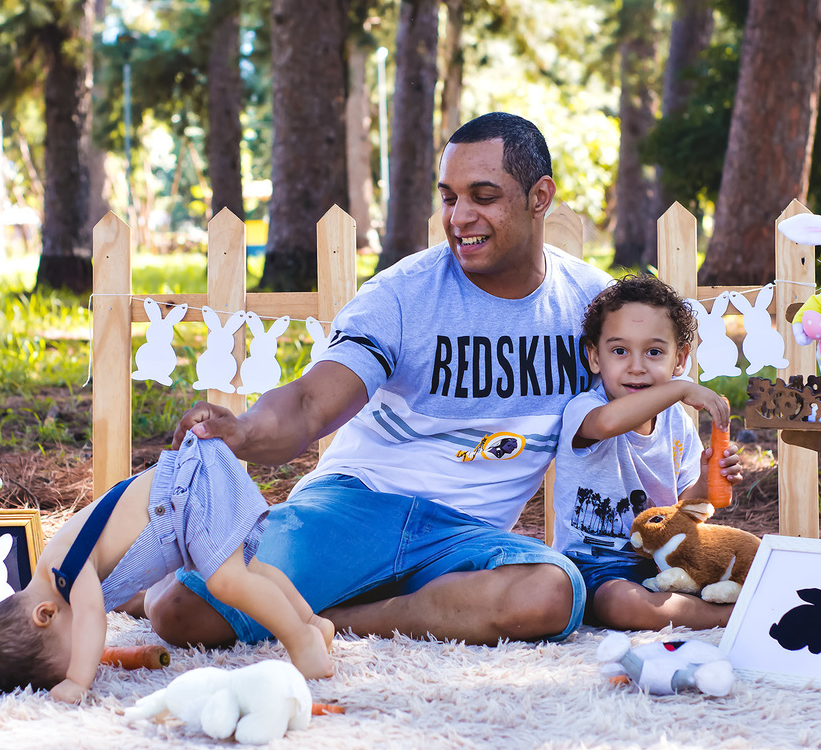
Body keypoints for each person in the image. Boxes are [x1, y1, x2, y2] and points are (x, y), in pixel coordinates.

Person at [143, 112, 741, 648]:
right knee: (181, 613)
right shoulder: (403, 294)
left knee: (552, 595)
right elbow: (307, 401)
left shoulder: (593, 307)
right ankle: (298, 591)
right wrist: (244, 430)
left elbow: (640, 414)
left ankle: (337, 617)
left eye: (483, 196)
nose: (459, 218)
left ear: (540, 198)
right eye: (450, 197)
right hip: (360, 506)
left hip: (465, 543)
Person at [0, 435, 333, 702]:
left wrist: (78, 680)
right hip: (183, 508)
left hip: (189, 487)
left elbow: (94, 617)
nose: (86, 653)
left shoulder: (63, 571)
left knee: (227, 581)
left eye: (75, 651)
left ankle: (302, 643)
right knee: (249, 571)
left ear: (44, 614)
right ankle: (314, 623)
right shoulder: (57, 578)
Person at [552, 274, 739, 631]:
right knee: (622, 604)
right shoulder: (585, 409)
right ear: (594, 357)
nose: (636, 367)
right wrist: (680, 389)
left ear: (679, 358)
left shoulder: (676, 423)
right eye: (619, 351)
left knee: (728, 560)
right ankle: (724, 618)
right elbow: (607, 424)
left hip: (664, 559)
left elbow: (688, 508)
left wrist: (709, 479)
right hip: (594, 565)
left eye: (654, 352)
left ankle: (711, 599)